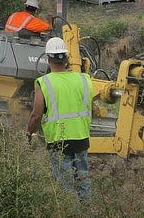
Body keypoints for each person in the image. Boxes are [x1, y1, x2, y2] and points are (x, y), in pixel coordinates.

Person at [26, 37, 94, 201]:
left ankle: (70, 211)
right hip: (81, 138)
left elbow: (36, 114)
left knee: (65, 185)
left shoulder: (43, 82)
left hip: (59, 140)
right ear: (66, 58)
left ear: (48, 60)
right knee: (83, 180)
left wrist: (29, 132)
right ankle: (86, 211)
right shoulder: (85, 79)